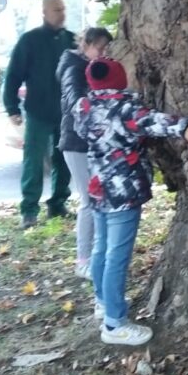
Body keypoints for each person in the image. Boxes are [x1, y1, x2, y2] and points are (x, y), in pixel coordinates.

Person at [74, 57, 188, 347]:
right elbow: (154, 122)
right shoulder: (124, 109)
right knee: (116, 257)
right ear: (119, 79)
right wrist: (186, 127)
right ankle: (114, 323)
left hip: (97, 188)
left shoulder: (84, 108)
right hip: (123, 192)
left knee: (101, 249)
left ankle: (102, 302)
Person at [3, 0, 75, 229]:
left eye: (63, 9)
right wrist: (12, 107)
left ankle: (58, 203)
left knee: (64, 159)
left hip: (66, 113)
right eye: (56, 10)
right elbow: (14, 75)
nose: (61, 13)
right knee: (33, 161)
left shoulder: (72, 41)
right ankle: (29, 210)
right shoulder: (30, 41)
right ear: (44, 12)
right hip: (37, 111)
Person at [57, 26, 113, 278]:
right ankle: (83, 261)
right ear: (86, 45)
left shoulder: (93, 66)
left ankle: (97, 255)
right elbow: (73, 98)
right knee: (89, 201)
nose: (103, 53)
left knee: (99, 200)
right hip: (76, 143)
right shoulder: (74, 67)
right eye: (99, 48)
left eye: (106, 49)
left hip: (92, 142)